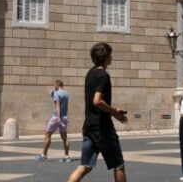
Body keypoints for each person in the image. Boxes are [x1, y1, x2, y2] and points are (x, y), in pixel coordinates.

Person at [66, 43, 128, 182]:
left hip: (89, 127)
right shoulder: (103, 75)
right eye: (110, 54)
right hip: (103, 129)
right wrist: (115, 113)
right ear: (106, 57)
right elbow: (97, 101)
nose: (111, 57)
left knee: (85, 166)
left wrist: (113, 109)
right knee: (118, 165)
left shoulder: (90, 73)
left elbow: (96, 101)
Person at [38, 79, 72, 162]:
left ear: (57, 85)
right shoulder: (66, 93)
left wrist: (58, 117)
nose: (54, 87)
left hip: (56, 116)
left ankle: (44, 155)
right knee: (64, 136)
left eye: (55, 85)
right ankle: (67, 156)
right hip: (64, 117)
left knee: (48, 134)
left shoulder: (57, 93)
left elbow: (57, 105)